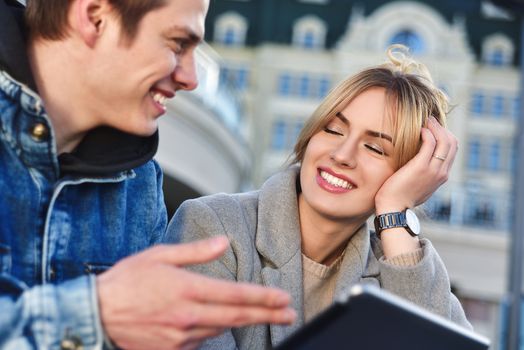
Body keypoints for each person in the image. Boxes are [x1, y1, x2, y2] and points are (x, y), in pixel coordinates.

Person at [0, 0, 297, 349]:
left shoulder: (139, 182)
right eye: (177, 44)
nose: (191, 78)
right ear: (95, 18)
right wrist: (95, 316)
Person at [167, 45, 472, 349]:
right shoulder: (213, 227)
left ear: (408, 175)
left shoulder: (401, 271)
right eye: (333, 130)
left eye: (375, 148)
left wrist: (394, 211)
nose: (342, 155)